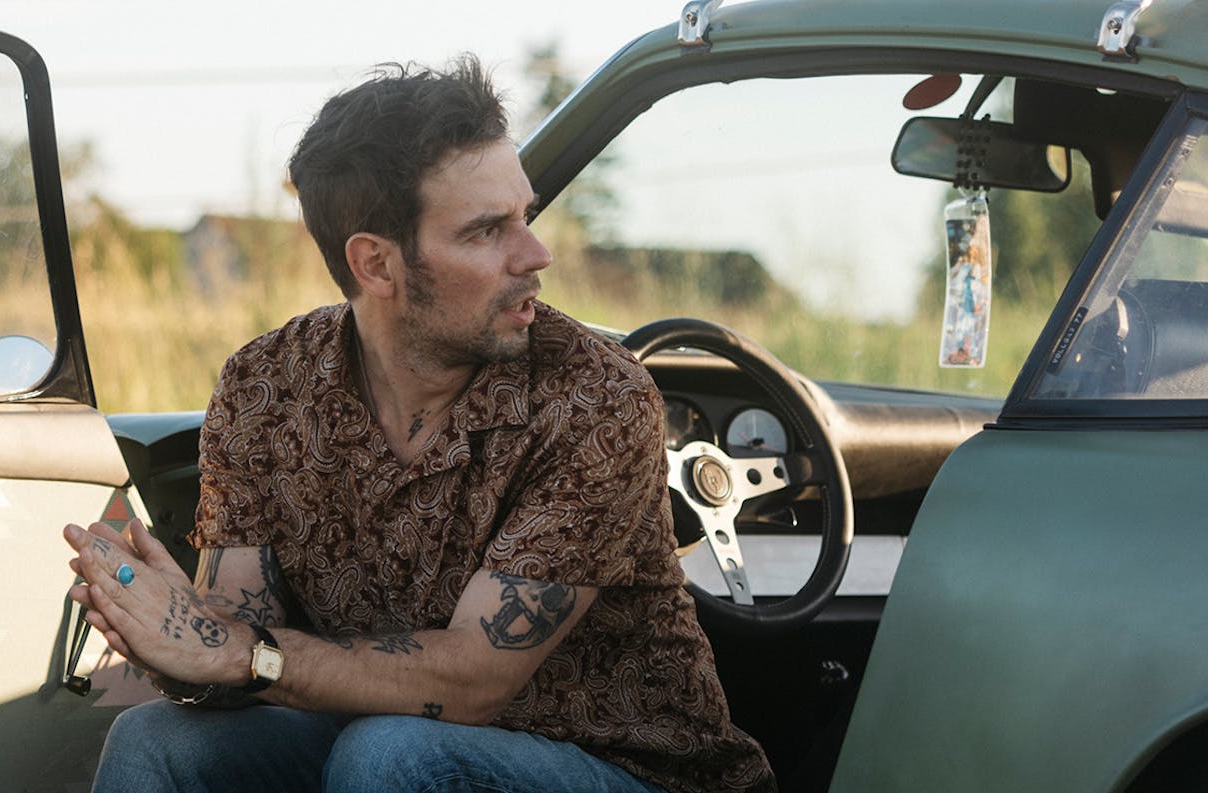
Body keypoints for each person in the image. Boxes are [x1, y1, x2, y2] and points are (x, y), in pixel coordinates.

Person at [63, 55, 775, 793]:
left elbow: (471, 680)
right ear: (375, 265)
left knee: (393, 756)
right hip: (367, 746)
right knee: (158, 739)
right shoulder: (264, 385)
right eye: (487, 230)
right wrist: (171, 636)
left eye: (524, 216)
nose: (536, 254)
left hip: (632, 770)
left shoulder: (594, 397)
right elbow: (234, 638)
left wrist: (238, 652)